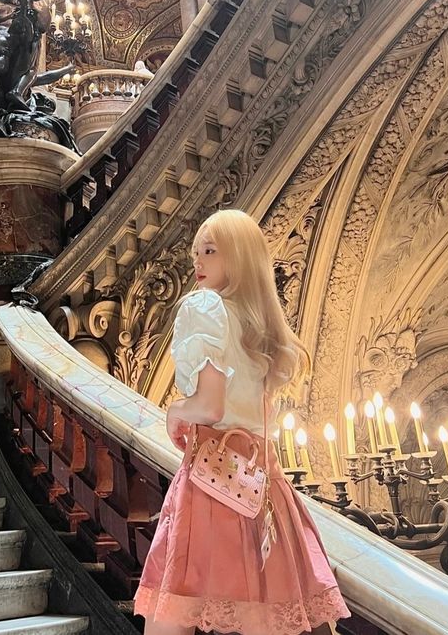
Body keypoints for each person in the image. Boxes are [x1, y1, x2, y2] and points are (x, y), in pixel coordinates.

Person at [134, 209, 350, 635]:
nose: (198, 261)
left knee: (171, 615)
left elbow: (210, 408)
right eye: (196, 252)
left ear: (239, 257)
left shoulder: (205, 307)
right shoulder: (260, 326)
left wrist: (177, 410)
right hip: (264, 485)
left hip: (212, 478)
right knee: (265, 617)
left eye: (210, 251)